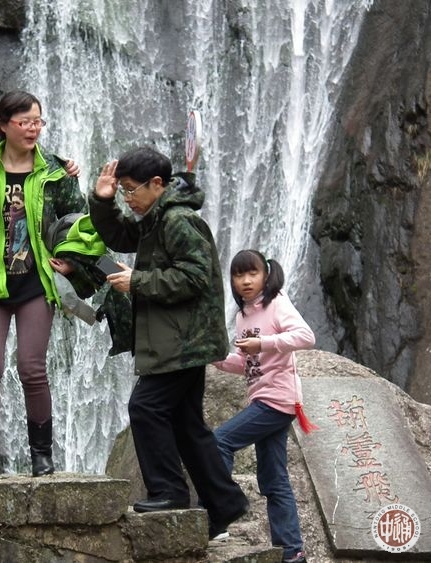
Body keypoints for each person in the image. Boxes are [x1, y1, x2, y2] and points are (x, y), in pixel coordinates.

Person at [88, 146, 249, 538]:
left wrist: (138, 281)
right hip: (179, 337)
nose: (128, 198)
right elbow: (121, 235)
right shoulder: (156, 218)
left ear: (157, 184)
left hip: (184, 340)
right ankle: (224, 502)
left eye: (131, 190)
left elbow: (196, 277)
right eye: (123, 190)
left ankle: (169, 492)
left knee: (145, 407)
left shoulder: (178, 220)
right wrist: (104, 202)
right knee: (186, 424)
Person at [0, 90, 86, 478]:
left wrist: (71, 261)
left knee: (32, 369)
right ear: (3, 125)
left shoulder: (56, 169)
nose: (34, 129)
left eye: (38, 121)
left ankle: (41, 456)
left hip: (36, 283)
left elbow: (79, 220)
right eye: (25, 122)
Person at [212, 249, 315, 563]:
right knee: (274, 479)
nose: (246, 280)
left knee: (219, 441)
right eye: (239, 275)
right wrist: (214, 357)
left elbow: (306, 336)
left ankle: (219, 514)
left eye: (252, 273)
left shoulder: (276, 303)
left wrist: (264, 343)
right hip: (262, 397)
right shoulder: (243, 315)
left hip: (278, 399)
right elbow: (247, 364)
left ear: (266, 275)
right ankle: (292, 552)